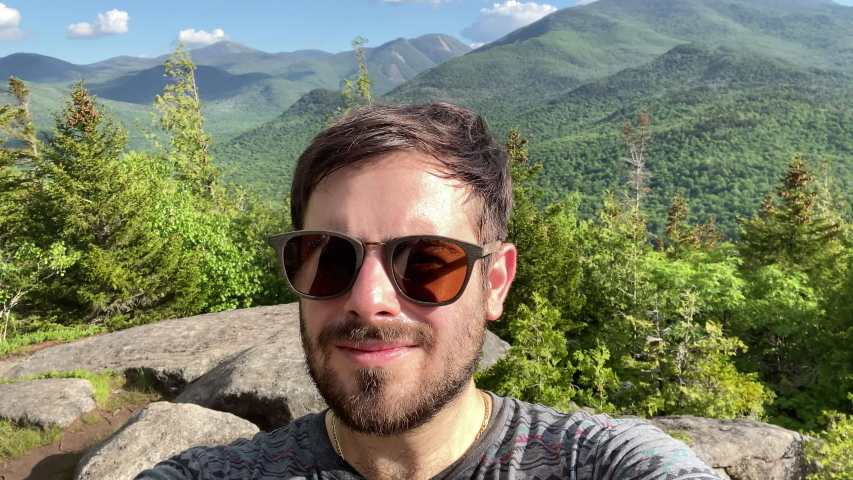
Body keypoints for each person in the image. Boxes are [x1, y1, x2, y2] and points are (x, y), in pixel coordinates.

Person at [137, 103, 723, 480]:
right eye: (329, 256)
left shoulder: (601, 464)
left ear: (494, 283)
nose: (369, 299)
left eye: (425, 261)